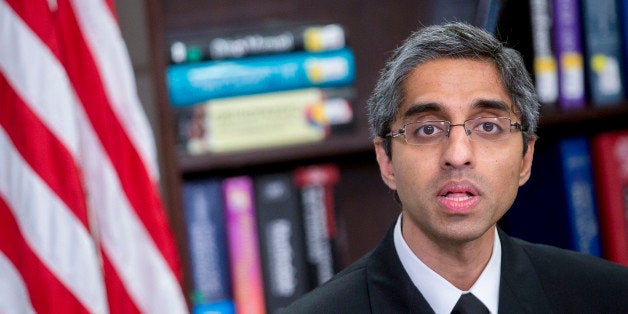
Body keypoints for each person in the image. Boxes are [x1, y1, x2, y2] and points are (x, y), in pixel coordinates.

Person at [282, 22, 628, 313]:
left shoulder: (610, 297)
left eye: (488, 127)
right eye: (428, 129)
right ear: (386, 161)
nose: (458, 155)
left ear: (526, 158)